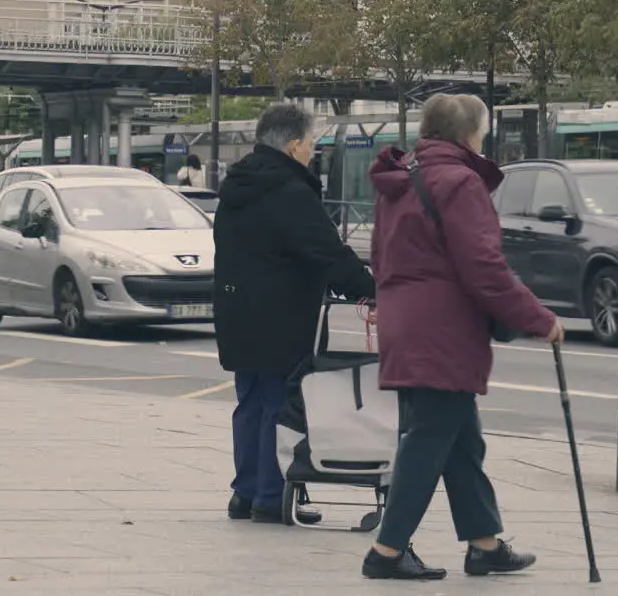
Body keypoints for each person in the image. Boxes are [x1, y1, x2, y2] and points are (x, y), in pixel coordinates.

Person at [361, 94, 563, 580]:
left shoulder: (402, 179)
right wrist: (538, 318)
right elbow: (484, 267)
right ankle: (386, 552)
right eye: (483, 132)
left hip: (407, 321)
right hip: (442, 329)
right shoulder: (460, 181)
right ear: (468, 135)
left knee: (459, 439)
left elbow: (383, 254)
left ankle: (484, 542)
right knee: (429, 440)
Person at [212, 103, 375, 525]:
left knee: (249, 402)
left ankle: (244, 493)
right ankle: (270, 497)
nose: (312, 153)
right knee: (277, 405)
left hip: (237, 311)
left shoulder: (237, 187)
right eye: (311, 145)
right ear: (294, 145)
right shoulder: (288, 190)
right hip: (279, 316)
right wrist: (373, 289)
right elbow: (326, 251)